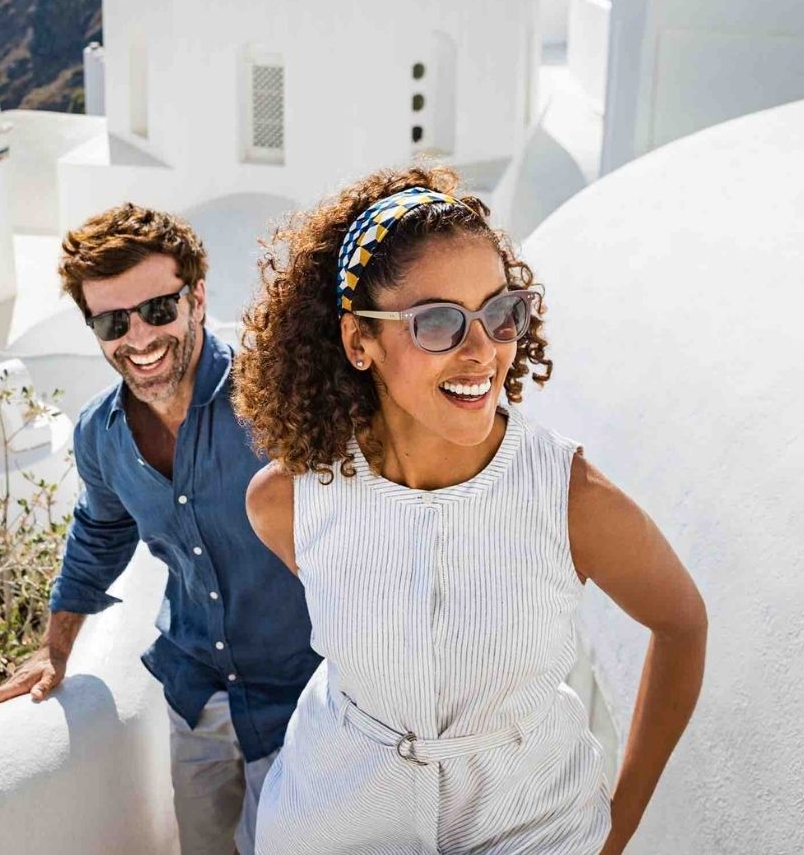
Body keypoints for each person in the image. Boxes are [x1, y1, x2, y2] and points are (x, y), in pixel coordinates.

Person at [237, 167, 707, 855]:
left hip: (533, 828)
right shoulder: (287, 501)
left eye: (500, 311)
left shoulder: (570, 499)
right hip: (337, 821)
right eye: (437, 321)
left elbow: (682, 622)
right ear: (357, 340)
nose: (483, 348)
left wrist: (622, 818)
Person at [0, 203, 319, 854]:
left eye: (158, 310)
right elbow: (97, 537)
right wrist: (56, 648)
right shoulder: (99, 435)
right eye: (112, 320)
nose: (138, 337)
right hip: (195, 697)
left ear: (196, 297)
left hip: (303, 696)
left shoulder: (277, 396)